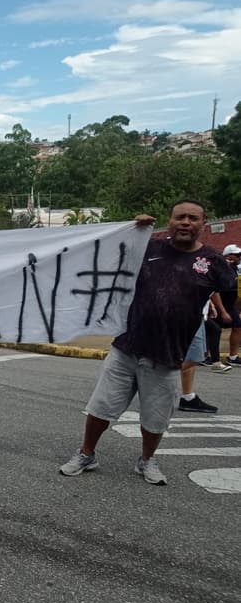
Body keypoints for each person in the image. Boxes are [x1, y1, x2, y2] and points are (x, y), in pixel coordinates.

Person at [59, 200, 235, 486]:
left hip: (167, 355)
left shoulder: (213, 262)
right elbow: (107, 256)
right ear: (171, 221)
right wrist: (132, 230)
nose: (186, 223)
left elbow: (227, 290)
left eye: (193, 218)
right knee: (100, 409)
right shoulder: (148, 248)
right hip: (127, 347)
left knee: (155, 419)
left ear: (203, 224)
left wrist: (222, 312)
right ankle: (86, 453)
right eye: (180, 217)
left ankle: (146, 460)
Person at [215, 244, 241, 366]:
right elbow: (217, 291)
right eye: (237, 255)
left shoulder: (235, 269)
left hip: (231, 305)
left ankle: (233, 356)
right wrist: (223, 311)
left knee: (238, 327)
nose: (239, 257)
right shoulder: (220, 269)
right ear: (229, 256)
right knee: (215, 330)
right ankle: (209, 355)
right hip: (219, 304)